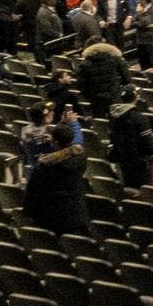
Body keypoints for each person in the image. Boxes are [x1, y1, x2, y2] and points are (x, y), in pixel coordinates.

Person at [18, 100, 90, 235]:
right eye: (50, 112)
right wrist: (73, 123)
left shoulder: (26, 131)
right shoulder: (51, 141)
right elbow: (73, 144)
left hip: (38, 180)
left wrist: (61, 125)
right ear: (45, 116)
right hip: (65, 202)